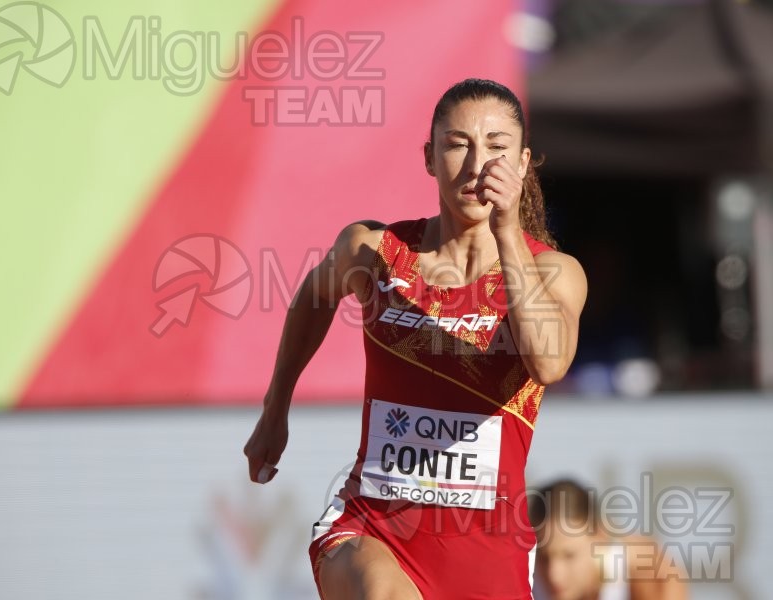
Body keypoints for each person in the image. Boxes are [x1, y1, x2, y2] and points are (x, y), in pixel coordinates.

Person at [244, 78, 588, 599]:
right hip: (374, 527)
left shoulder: (553, 273)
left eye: (496, 149)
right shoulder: (374, 249)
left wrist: (508, 234)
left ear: (521, 165)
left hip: (486, 554)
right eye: (457, 145)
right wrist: (276, 408)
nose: (476, 166)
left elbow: (550, 364)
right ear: (429, 158)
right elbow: (314, 297)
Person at [529, 479, 689, 600]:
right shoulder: (520, 575)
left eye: (569, 555)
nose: (555, 574)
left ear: (600, 538)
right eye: (543, 558)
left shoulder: (649, 575)